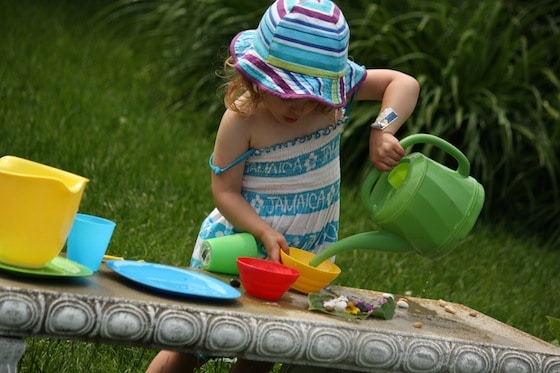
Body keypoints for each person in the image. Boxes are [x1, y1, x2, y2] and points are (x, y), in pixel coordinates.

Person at [146, 0, 419, 372]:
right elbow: (224, 191)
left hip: (305, 251)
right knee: (193, 344)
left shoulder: (331, 104)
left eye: (312, 96)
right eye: (287, 93)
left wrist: (382, 128)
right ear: (259, 76)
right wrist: (263, 231)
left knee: (265, 349)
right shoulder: (242, 119)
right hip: (243, 245)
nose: (300, 108)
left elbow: (403, 83)